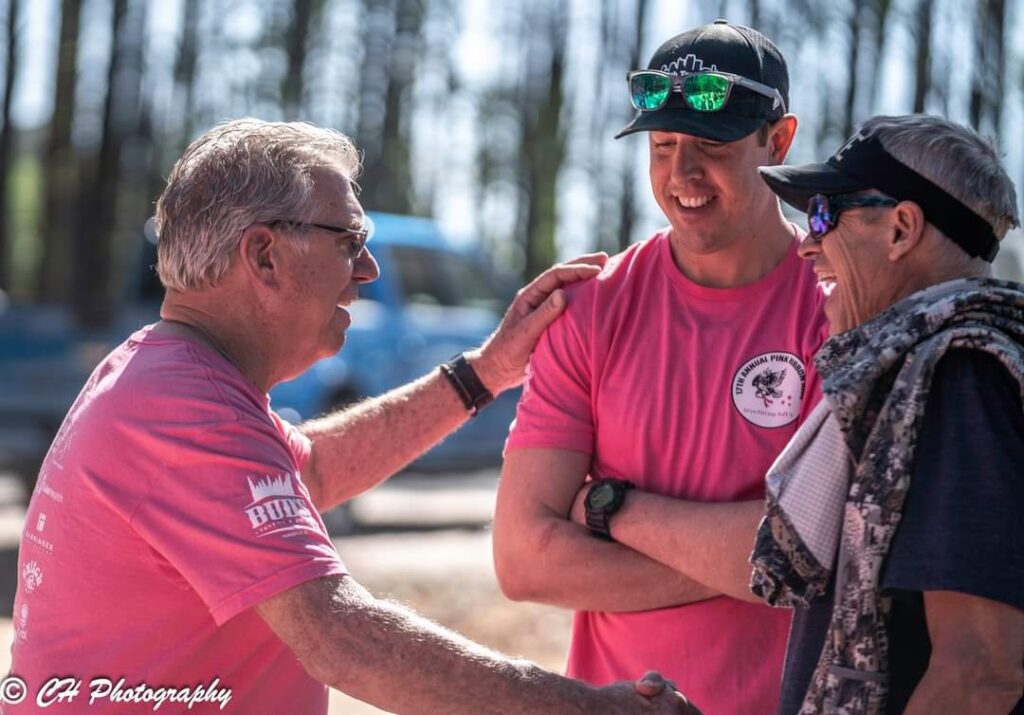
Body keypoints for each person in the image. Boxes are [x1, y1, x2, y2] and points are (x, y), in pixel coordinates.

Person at [10, 119, 701, 714]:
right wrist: (583, 707)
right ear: (264, 255)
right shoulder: (183, 407)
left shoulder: (164, 374)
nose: (367, 268)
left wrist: (485, 370)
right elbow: (339, 637)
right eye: (348, 238)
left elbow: (311, 469)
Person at [493, 20, 827, 714]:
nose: (682, 175)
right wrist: (751, 562)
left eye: (711, 145)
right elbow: (522, 559)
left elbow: (823, 547)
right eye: (663, 146)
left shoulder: (838, 311)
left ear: (779, 139)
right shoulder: (591, 308)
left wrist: (613, 509)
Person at [750, 114, 1024, 713]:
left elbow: (980, 674)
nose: (807, 243)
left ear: (902, 229)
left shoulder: (963, 374)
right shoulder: (928, 372)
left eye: (824, 212)